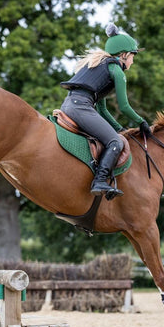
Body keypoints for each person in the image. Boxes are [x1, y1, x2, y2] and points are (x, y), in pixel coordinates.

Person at [60, 23, 151, 200]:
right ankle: (99, 180)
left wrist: (120, 128)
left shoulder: (99, 65)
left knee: (114, 136)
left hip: (69, 105)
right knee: (115, 143)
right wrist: (142, 122)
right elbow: (124, 107)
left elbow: (101, 109)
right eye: (133, 56)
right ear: (124, 55)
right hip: (81, 107)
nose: (132, 61)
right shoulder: (116, 69)